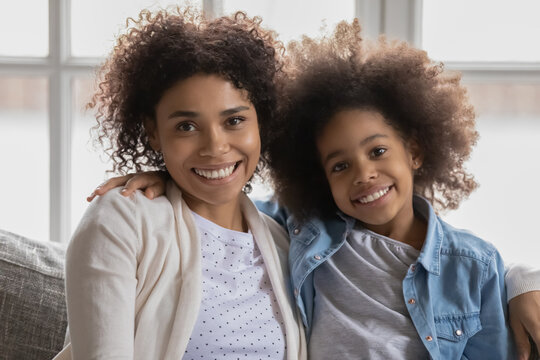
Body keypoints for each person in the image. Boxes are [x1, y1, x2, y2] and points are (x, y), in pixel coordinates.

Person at [91, 21, 540, 360]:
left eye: (378, 151)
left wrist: (522, 280)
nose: (364, 174)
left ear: (417, 150)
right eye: (340, 165)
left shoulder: (474, 268)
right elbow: (226, 202)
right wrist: (167, 176)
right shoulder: (308, 231)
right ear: (318, 177)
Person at [54, 8, 306, 360]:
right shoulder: (120, 220)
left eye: (234, 120)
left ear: (261, 123)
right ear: (153, 133)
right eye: (186, 126)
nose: (215, 147)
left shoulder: (285, 244)